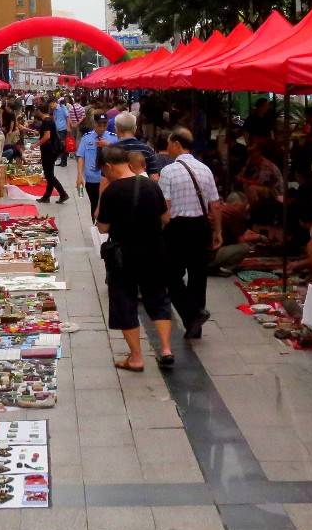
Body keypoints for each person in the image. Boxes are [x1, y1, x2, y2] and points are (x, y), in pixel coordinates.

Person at [96, 146, 175, 371]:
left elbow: (103, 227)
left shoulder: (112, 191)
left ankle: (136, 358)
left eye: (104, 171)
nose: (105, 175)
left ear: (109, 166)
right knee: (158, 298)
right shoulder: (151, 186)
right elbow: (166, 218)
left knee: (125, 302)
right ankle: (166, 349)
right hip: (154, 252)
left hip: (124, 256)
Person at [158, 128, 221, 340]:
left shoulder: (169, 171)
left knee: (170, 276)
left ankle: (191, 314)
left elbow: (165, 207)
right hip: (201, 226)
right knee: (198, 276)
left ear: (176, 143)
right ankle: (195, 324)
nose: (167, 147)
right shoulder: (205, 169)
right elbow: (215, 204)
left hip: (178, 227)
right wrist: (217, 231)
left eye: (168, 143)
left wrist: (163, 227)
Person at [75, 111, 115, 217]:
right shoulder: (86, 137)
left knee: (108, 205)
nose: (102, 127)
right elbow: (81, 156)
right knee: (94, 204)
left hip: (109, 179)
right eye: (99, 124)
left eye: (104, 124)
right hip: (92, 178)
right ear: (94, 124)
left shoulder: (113, 138)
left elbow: (121, 154)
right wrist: (79, 175)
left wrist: (108, 145)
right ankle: (96, 227)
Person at [210, 192, 252, 275]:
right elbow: (242, 239)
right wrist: (261, 238)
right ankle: (223, 268)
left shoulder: (220, 209)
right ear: (237, 204)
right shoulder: (232, 211)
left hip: (197, 256)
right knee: (245, 247)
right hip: (208, 256)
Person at [35, 101, 69, 204]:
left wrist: (36, 144)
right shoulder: (49, 119)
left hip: (49, 151)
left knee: (49, 175)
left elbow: (47, 136)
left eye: (37, 110)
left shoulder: (46, 121)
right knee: (49, 173)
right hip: (52, 150)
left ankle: (63, 194)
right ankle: (46, 196)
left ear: (40, 111)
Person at [110, 112, 160, 178]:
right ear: (135, 128)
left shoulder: (110, 150)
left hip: (117, 187)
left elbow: (105, 180)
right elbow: (154, 177)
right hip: (142, 187)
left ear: (116, 129)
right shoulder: (147, 149)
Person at [52, 98, 70, 167]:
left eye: (51, 105)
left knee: (62, 146)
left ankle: (64, 162)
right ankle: (62, 161)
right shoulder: (54, 110)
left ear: (54, 102)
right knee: (60, 145)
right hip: (57, 130)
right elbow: (54, 119)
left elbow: (67, 117)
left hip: (63, 129)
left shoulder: (62, 108)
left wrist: (68, 127)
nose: (51, 107)